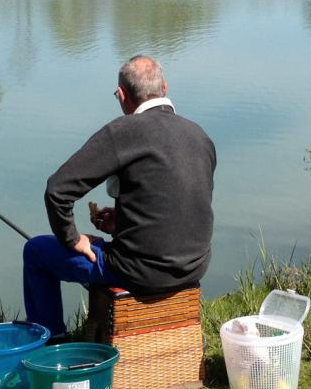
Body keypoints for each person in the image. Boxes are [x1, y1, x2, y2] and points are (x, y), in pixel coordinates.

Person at [22, 55, 216, 338]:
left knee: (36, 252)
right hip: (194, 267)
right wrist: (124, 223)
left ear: (122, 95)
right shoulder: (200, 136)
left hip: (138, 271)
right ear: (165, 87)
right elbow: (184, 204)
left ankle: (52, 343)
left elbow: (57, 190)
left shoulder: (123, 132)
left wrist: (73, 239)